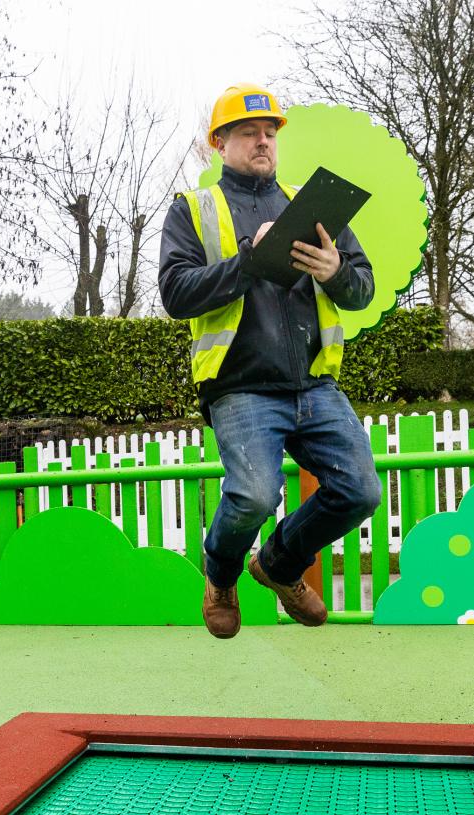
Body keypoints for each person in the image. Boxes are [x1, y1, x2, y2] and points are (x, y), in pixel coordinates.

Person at [158, 82, 382, 639]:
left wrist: (337, 271)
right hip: (240, 387)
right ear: (219, 143)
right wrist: (248, 261)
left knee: (360, 491)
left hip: (315, 385)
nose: (263, 141)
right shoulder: (193, 210)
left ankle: (279, 564)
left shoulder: (312, 204)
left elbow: (362, 288)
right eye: (248, 132)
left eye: (269, 132)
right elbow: (176, 293)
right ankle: (221, 575)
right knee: (254, 496)